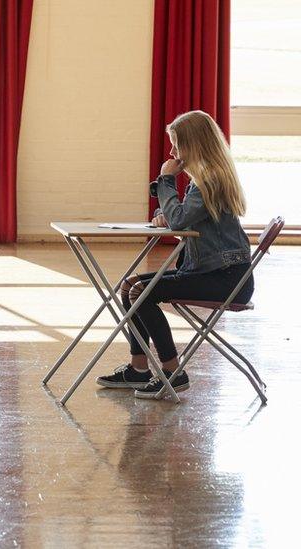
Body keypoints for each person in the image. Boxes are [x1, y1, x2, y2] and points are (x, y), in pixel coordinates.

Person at [96, 110, 253, 399]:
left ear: (194, 145)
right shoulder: (206, 179)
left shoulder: (210, 180)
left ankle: (172, 372)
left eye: (177, 145)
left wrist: (165, 180)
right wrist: (164, 215)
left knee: (140, 292)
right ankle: (138, 368)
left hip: (226, 279)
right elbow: (183, 217)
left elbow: (180, 220)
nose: (172, 152)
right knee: (130, 286)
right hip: (212, 271)